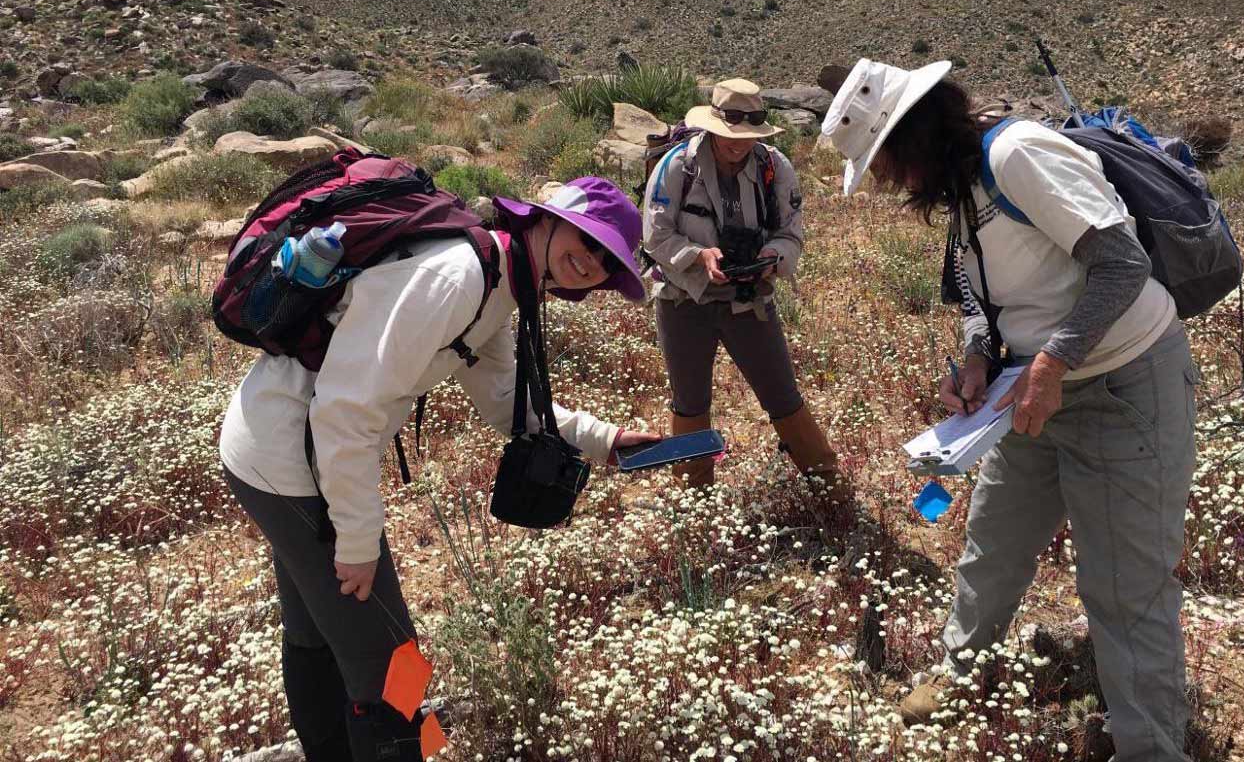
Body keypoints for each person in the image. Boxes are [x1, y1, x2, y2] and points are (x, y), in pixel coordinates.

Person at [824, 59, 1200, 762]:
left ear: (917, 135)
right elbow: (979, 298)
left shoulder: (1016, 155)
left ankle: (1150, 746)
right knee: (993, 542)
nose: (892, 184)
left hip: (1126, 386)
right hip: (1033, 392)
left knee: (1124, 585)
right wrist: (974, 358)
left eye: (887, 163)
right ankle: (962, 675)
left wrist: (1053, 361)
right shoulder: (964, 191)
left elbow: (1121, 262)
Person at [219, 177, 658, 762]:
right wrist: (356, 539)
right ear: (542, 220)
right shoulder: (458, 276)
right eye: (586, 238)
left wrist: (608, 441)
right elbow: (346, 410)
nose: (591, 261)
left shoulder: (498, 284)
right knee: (394, 663)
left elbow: (507, 401)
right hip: (292, 467)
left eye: (608, 260)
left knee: (318, 632)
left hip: (280, 455)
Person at [641, 79, 850, 504]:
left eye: (748, 137)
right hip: (685, 300)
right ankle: (694, 498)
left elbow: (791, 232)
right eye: (730, 136)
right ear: (712, 127)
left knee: (781, 393)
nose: (739, 146)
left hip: (749, 299)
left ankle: (827, 484)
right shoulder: (677, 167)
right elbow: (655, 236)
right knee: (689, 401)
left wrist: (773, 255)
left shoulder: (776, 168)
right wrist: (699, 257)